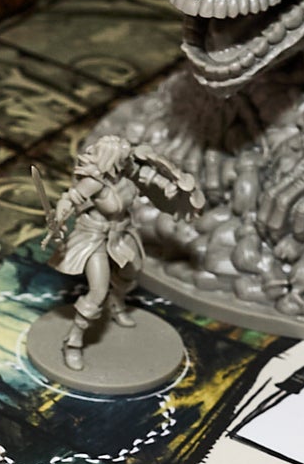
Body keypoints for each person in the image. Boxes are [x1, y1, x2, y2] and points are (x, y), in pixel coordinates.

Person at [45, 134, 201, 371]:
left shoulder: (127, 171)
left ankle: (116, 304)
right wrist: (58, 219)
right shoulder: (95, 182)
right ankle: (73, 342)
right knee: (97, 291)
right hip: (95, 237)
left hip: (122, 233)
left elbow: (148, 177)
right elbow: (69, 199)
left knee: (131, 273)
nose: (128, 159)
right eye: (123, 156)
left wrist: (170, 187)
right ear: (111, 159)